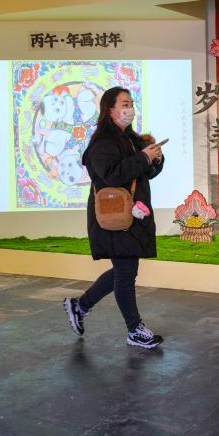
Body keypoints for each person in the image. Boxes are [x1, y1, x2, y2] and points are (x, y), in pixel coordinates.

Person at [63, 86, 166, 349]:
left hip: (132, 216)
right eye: (124, 104)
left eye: (131, 104)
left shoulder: (131, 138)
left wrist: (155, 159)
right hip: (114, 217)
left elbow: (143, 173)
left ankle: (80, 306)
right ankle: (134, 329)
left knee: (124, 270)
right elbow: (111, 175)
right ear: (109, 110)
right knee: (125, 272)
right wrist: (143, 157)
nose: (130, 109)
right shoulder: (102, 143)